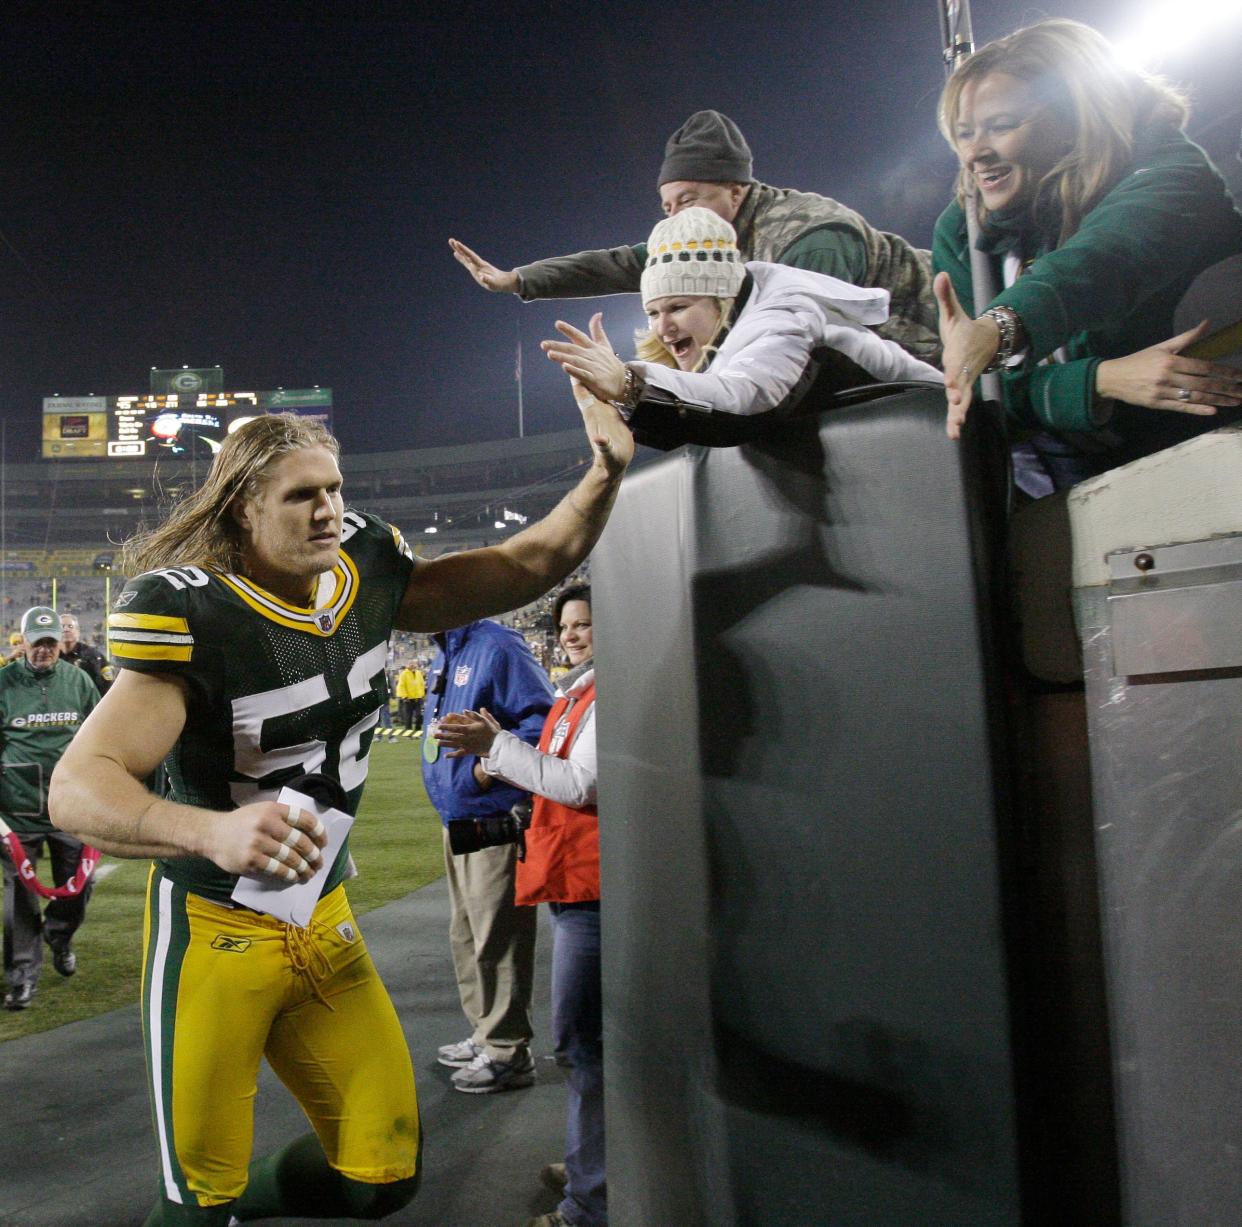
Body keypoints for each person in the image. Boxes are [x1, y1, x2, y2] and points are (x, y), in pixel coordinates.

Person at [48, 406, 631, 1225]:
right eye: (300, 496)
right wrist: (209, 828)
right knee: (193, 1203)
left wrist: (603, 476)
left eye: (335, 488)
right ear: (243, 506)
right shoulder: (196, 613)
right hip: (215, 928)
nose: (327, 509)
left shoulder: (366, 564)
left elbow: (522, 561)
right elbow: (75, 789)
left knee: (382, 1175)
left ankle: (248, 1202)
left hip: (322, 914)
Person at [932, 18, 1242, 493]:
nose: (976, 153)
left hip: (1198, 430)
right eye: (964, 133)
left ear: (1075, 117)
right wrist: (1098, 381)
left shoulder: (1171, 172)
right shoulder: (961, 230)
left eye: (1000, 127)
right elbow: (991, 399)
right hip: (1079, 465)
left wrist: (999, 329)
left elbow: (1100, 263)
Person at [450, 109, 941, 363]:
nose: (673, 219)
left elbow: (806, 353)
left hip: (947, 347)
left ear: (736, 189)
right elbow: (623, 262)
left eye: (688, 199)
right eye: (666, 207)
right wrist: (519, 280)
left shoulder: (810, 236)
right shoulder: (707, 239)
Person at [437, 585, 602, 1227]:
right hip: (570, 878)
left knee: (585, 1044)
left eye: (586, 624)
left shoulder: (598, 692)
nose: (572, 635)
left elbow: (580, 784)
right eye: (566, 625)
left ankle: (592, 1201)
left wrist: (492, 749)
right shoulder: (577, 689)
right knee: (590, 1043)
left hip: (593, 885)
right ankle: (597, 1163)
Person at [539, 207, 942, 450]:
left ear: (723, 299)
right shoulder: (734, 332)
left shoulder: (786, 316)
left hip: (947, 442)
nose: (663, 328)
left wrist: (630, 383)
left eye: (678, 307)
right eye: (653, 312)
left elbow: (742, 401)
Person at [422, 619, 553, 1093]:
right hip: (456, 817)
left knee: (498, 935)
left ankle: (508, 1051)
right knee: (467, 934)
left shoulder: (498, 645)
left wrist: (481, 773)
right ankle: (485, 1032)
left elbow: (544, 724)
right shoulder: (446, 650)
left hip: (491, 817)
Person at [1, 607, 100, 1010]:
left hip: (69, 807)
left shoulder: (78, 681)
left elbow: (99, 737)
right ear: (22, 641)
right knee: (19, 898)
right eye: (36, 642)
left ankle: (59, 934)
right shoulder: (3, 684)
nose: (44, 650)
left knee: (80, 885)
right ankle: (22, 975)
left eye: (51, 642)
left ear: (62, 642)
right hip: (17, 809)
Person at [59, 613, 114, 695]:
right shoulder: (50, 656)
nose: (66, 629)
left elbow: (107, 685)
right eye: (62, 627)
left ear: (78, 632)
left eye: (70, 626)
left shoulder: (93, 655)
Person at [394, 660, 425, 734]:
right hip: (408, 699)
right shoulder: (404, 674)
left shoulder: (418, 673)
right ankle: (408, 733)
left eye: (414, 664)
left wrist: (422, 695)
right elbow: (401, 686)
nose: (413, 665)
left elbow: (421, 684)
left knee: (419, 715)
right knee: (408, 717)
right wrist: (404, 697)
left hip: (418, 698)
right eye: (411, 664)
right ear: (407, 665)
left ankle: (418, 731)